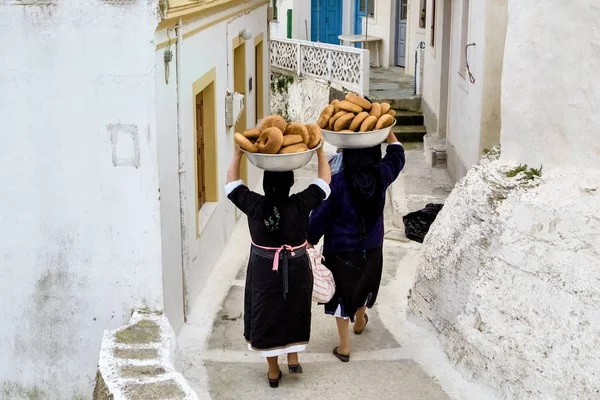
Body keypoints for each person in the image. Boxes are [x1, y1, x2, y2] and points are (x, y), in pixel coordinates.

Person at [224, 145, 331, 388]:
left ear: (265, 184)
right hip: (296, 268)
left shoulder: (254, 204)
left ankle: (273, 372)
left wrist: (238, 155)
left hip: (264, 272)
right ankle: (293, 356)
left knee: (267, 316)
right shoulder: (301, 203)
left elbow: (231, 185)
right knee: (295, 309)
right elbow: (324, 182)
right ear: (291, 183)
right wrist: (321, 153)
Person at [307, 132, 405, 362]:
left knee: (341, 295)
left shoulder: (337, 183)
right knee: (365, 283)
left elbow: (319, 217)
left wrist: (309, 238)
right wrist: (388, 132)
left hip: (340, 249)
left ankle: (344, 347)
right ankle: (360, 321)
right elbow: (398, 155)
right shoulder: (382, 174)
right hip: (372, 246)